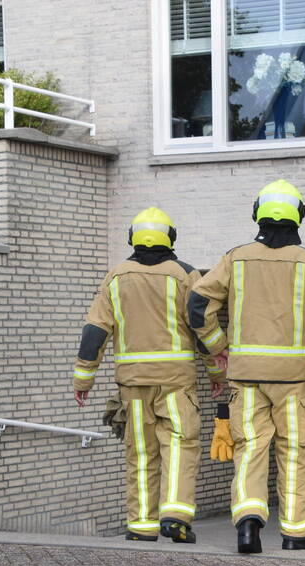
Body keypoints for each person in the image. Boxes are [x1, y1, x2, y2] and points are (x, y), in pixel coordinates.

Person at [189, 179, 305, 553]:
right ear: (299, 216)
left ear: (257, 214)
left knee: (250, 450)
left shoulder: (235, 258)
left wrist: (219, 347)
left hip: (246, 379)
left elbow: (197, 305)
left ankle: (248, 526)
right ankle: (295, 534)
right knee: (295, 453)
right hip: (294, 380)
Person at [73, 207, 223, 543]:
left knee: (141, 453)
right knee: (180, 446)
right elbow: (201, 326)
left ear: (132, 238)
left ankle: (141, 525)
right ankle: (176, 517)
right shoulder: (186, 275)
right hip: (176, 382)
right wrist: (216, 371)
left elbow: (95, 331)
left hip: (133, 383)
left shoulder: (115, 277)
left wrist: (83, 379)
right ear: (171, 237)